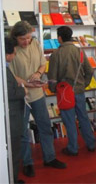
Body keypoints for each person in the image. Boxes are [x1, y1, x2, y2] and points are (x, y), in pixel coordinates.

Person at [9, 21, 66, 178]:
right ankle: (27, 163)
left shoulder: (35, 44)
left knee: (45, 126)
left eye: (28, 38)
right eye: (22, 39)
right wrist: (28, 83)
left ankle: (50, 157)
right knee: (22, 132)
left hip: (38, 95)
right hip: (22, 97)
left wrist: (38, 74)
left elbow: (42, 64)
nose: (26, 42)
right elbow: (11, 77)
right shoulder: (11, 50)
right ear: (15, 37)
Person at [47, 26, 96, 156]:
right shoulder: (79, 51)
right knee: (83, 117)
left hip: (64, 93)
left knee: (69, 121)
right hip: (79, 90)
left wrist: (53, 89)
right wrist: (84, 84)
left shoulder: (56, 54)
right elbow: (90, 71)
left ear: (59, 38)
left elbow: (52, 76)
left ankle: (73, 148)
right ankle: (91, 143)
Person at [5, 37, 27, 184]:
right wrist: (23, 90)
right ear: (8, 54)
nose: (15, 55)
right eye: (14, 52)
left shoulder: (5, 68)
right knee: (13, 150)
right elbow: (10, 93)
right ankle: (12, 179)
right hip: (12, 118)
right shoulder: (5, 69)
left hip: (12, 116)